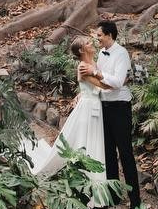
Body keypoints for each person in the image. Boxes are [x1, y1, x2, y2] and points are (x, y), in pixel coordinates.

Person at [23, 38, 106, 182]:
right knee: (88, 140)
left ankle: (95, 176)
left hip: (96, 105)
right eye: (87, 43)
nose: (91, 43)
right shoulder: (83, 67)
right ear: (81, 50)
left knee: (95, 140)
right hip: (89, 108)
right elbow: (102, 86)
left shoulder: (93, 63)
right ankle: (90, 179)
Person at [81, 19, 141, 209]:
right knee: (108, 154)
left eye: (99, 35)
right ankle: (113, 196)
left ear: (109, 35)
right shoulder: (101, 53)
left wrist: (96, 72)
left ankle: (135, 204)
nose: (97, 38)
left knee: (126, 154)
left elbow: (116, 82)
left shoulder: (121, 53)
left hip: (120, 108)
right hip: (104, 108)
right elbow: (98, 81)